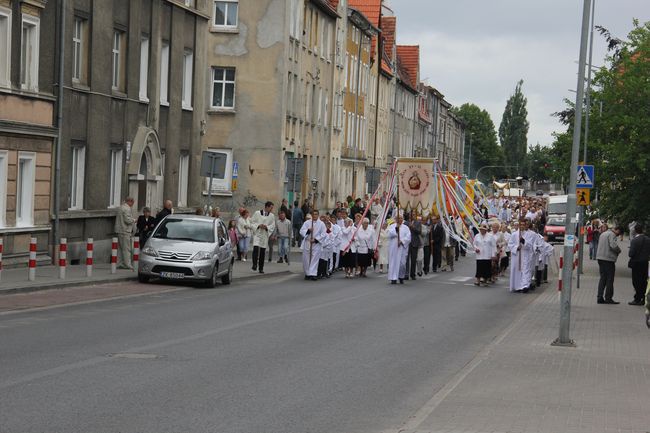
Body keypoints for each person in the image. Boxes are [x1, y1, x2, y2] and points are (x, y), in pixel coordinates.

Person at [508, 218, 537, 293]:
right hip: (517, 255)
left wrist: (524, 241)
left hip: (525, 254)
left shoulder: (529, 234)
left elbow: (530, 245)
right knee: (517, 270)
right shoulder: (514, 234)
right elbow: (510, 244)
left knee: (525, 270)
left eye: (524, 225)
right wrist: (516, 247)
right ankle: (517, 286)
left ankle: (525, 286)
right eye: (521, 225)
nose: (522, 226)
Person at [596, 224, 622, 304]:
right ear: (617, 230)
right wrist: (619, 250)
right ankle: (608, 298)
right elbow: (613, 245)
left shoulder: (603, 233)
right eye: (619, 233)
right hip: (608, 259)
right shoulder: (612, 234)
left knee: (603, 278)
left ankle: (599, 297)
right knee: (610, 279)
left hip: (600, 258)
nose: (618, 235)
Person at [300, 210, 326, 280]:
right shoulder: (307, 222)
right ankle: (307, 273)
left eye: (316, 214)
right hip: (308, 242)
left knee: (315, 259)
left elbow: (323, 234)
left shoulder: (321, 224)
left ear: (318, 215)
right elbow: (301, 231)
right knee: (306, 259)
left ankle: (313, 273)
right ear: (311, 215)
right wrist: (308, 231)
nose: (315, 216)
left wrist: (316, 239)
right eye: (313, 214)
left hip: (316, 243)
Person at [251, 201, 276, 274]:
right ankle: (254, 264)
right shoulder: (257, 213)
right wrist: (258, 225)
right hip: (257, 233)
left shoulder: (271, 216)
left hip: (265, 234)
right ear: (267, 207)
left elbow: (273, 225)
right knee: (255, 248)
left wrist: (266, 227)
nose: (271, 209)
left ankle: (261, 268)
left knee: (262, 251)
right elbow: (252, 222)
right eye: (271, 207)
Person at [628, 224, 650, 306]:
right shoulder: (648, 239)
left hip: (636, 263)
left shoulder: (634, 240)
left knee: (636, 281)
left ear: (635, 231)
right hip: (645, 263)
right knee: (644, 281)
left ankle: (637, 298)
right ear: (642, 230)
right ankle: (644, 298)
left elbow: (631, 254)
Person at [387, 214, 411, 284]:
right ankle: (393, 278)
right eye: (398, 218)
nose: (400, 220)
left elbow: (409, 237)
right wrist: (396, 229)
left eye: (401, 218)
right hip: (394, 248)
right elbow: (389, 234)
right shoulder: (392, 226)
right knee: (393, 262)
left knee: (402, 263)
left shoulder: (406, 227)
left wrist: (402, 241)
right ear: (396, 219)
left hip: (402, 248)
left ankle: (401, 276)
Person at [115, 197, 136, 270]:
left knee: (120, 249)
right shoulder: (127, 208)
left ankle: (120, 263)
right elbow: (127, 220)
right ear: (130, 201)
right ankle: (127, 264)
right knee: (126, 249)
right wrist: (134, 220)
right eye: (133, 203)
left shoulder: (121, 207)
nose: (132, 205)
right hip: (125, 230)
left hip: (120, 230)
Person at [407, 213, 422, 280]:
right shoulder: (406, 223)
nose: (412, 216)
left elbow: (419, 232)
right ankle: (406, 274)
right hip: (407, 243)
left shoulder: (418, 223)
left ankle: (412, 274)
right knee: (406, 260)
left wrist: (412, 227)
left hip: (414, 243)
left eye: (413, 215)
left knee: (413, 260)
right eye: (411, 214)